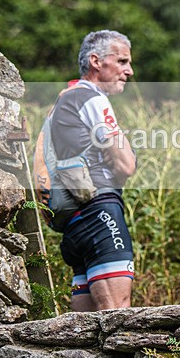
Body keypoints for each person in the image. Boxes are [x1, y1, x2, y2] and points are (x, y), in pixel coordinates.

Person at [51, 30, 137, 311]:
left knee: (83, 332)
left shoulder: (63, 99)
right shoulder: (92, 98)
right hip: (100, 213)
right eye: (122, 61)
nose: (129, 71)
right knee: (116, 318)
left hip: (74, 222)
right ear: (96, 61)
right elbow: (125, 164)